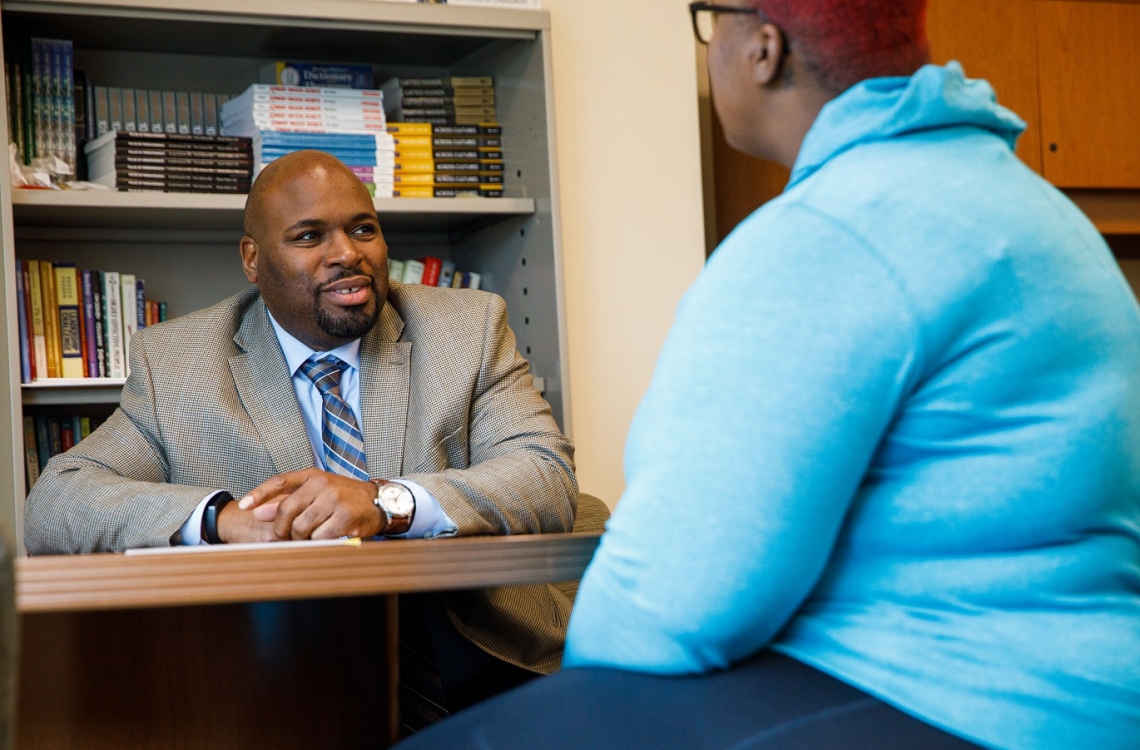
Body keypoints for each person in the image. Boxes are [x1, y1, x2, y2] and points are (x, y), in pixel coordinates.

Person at [398, 1, 1140, 748]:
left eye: (709, 19)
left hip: (946, 695)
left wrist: (584, 703)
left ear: (762, 48)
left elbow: (673, 605)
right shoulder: (1036, 209)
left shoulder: (830, 232)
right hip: (1088, 691)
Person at [24, 150, 580, 702]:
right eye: (309, 236)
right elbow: (57, 500)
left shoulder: (467, 329)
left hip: (473, 657)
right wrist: (221, 519)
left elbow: (546, 473)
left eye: (363, 229)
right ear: (252, 259)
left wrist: (384, 502)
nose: (346, 254)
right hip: (270, 679)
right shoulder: (179, 364)